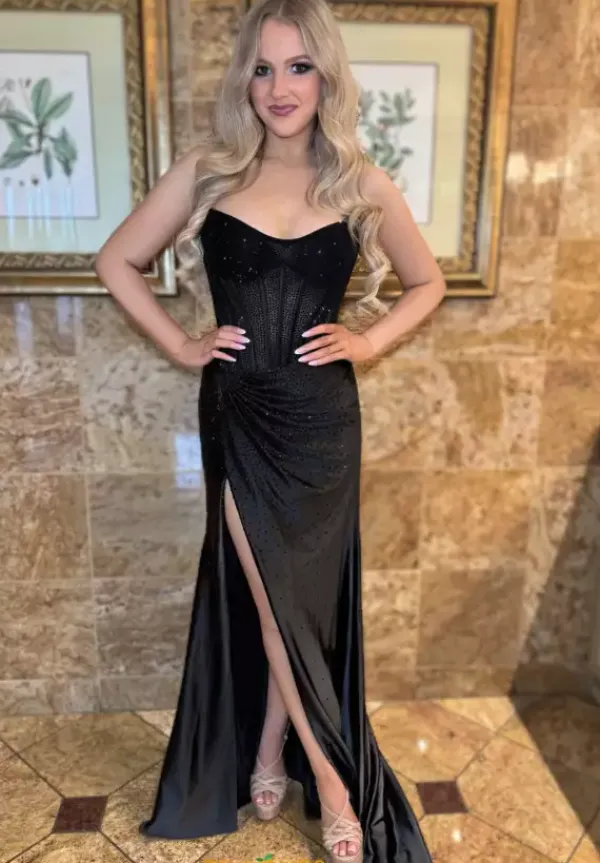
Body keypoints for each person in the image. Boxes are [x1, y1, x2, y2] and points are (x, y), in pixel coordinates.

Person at [95, 0, 445, 859]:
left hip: (324, 422)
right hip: (240, 415)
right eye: (262, 67)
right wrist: (183, 343)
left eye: (297, 66)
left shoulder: (359, 181)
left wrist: (369, 341)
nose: (279, 86)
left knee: (300, 603)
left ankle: (266, 750)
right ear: (243, 79)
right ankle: (332, 782)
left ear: (326, 76)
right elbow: (116, 260)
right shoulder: (210, 171)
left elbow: (427, 282)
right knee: (265, 595)